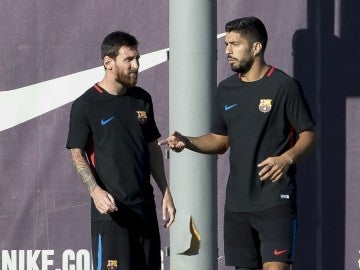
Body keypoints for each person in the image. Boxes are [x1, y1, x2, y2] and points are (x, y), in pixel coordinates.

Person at [159, 17, 316, 270]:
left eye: (235, 44)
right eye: (226, 44)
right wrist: (187, 141)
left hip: (275, 200)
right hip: (237, 205)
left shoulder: (284, 86)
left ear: (257, 48)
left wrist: (286, 158)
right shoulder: (226, 89)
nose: (228, 51)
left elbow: (308, 134)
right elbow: (220, 141)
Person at [66, 31, 176, 270]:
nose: (136, 65)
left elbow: (152, 148)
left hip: (144, 211)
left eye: (137, 59)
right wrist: (95, 191)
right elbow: (77, 154)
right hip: (112, 214)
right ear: (108, 62)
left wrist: (165, 191)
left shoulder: (142, 99)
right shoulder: (86, 105)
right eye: (128, 60)